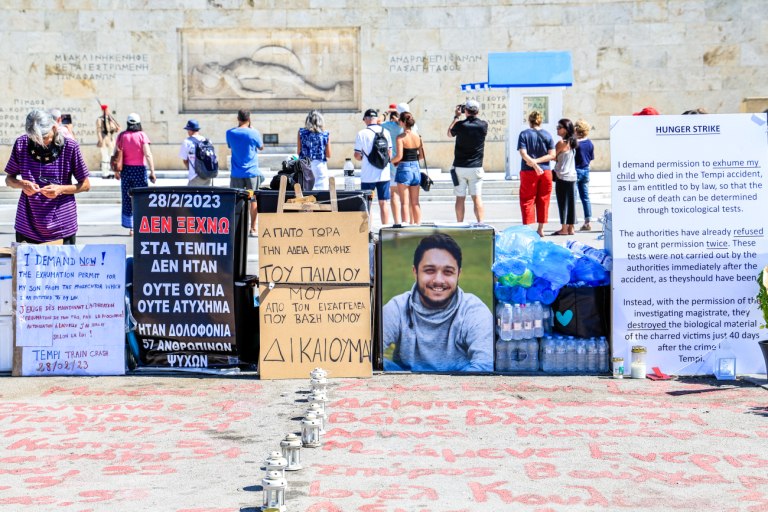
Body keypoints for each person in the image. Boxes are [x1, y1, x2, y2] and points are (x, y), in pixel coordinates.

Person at [382, 233, 494, 372]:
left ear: (458, 274)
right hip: (405, 386)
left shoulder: (474, 311)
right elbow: (366, 353)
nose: (438, 280)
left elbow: (486, 363)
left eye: (448, 272)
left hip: (460, 388)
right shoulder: (398, 308)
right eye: (430, 270)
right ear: (415, 272)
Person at [3, 109, 90, 244]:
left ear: (54, 128)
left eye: (44, 138)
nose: (40, 143)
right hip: (27, 225)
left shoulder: (70, 147)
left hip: (62, 226)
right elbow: (9, 179)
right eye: (34, 139)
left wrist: (60, 189)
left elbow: (85, 185)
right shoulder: (21, 144)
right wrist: (22, 184)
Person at [115, 113, 156, 235]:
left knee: (128, 198)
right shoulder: (142, 135)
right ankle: (142, 224)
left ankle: (131, 227)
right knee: (142, 197)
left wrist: (116, 171)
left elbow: (116, 153)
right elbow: (148, 154)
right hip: (139, 170)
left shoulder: (122, 136)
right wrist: (152, 171)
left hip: (126, 171)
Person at [447, 99, 487, 223]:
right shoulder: (483, 125)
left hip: (460, 166)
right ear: (478, 111)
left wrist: (456, 117)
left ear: (465, 110)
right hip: (476, 167)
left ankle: (460, 224)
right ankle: (480, 224)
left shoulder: (460, 125)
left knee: (460, 198)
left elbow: (449, 133)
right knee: (477, 198)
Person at [517, 111, 556, 237]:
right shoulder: (548, 135)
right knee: (544, 199)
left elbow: (523, 153)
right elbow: (552, 155)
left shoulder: (524, 134)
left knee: (527, 199)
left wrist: (534, 163)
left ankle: (527, 228)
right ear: (540, 121)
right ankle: (541, 228)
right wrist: (538, 163)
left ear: (530, 121)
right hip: (546, 171)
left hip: (528, 171)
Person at [226, 109, 264, 237]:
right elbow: (261, 147)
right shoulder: (253, 133)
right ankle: (253, 228)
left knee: (236, 199)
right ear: (249, 119)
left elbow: (231, 146)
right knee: (253, 199)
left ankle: (236, 228)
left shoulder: (230, 133)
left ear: (238, 118)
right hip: (252, 173)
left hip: (236, 172)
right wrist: (252, 129)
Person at [354, 108, 392, 225]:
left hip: (368, 176)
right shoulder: (386, 132)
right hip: (383, 174)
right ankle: (385, 229)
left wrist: (364, 157)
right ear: (375, 119)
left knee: (368, 204)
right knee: (383, 203)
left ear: (366, 119)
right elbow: (389, 153)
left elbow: (357, 155)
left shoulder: (361, 134)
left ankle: (368, 233)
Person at [391, 112, 423, 225]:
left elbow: (399, 156)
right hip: (416, 168)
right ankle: (417, 225)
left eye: (400, 120)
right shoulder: (418, 137)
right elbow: (422, 156)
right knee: (415, 202)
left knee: (404, 202)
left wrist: (390, 161)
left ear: (403, 122)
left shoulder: (400, 137)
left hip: (404, 168)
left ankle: (405, 225)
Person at [551, 118, 578, 236]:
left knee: (562, 203)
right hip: (572, 176)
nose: (557, 129)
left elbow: (552, 156)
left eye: (559, 127)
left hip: (562, 176)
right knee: (571, 203)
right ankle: (571, 227)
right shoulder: (573, 142)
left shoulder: (561, 143)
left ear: (566, 129)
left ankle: (564, 228)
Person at [297, 110, 331, 190]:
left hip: (305, 165)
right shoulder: (325, 134)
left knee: (306, 192)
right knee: (322, 193)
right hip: (320, 165)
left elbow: (299, 151)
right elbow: (328, 154)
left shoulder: (301, 132)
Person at [380, 109, 403, 224]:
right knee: (409, 198)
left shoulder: (390, 126)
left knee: (394, 194)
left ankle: (397, 222)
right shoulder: (412, 126)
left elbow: (377, 122)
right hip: (408, 165)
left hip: (394, 164)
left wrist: (386, 113)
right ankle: (409, 222)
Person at [574, 119, 595, 231]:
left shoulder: (575, 144)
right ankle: (587, 221)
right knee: (585, 197)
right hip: (586, 170)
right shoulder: (590, 143)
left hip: (575, 170)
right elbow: (591, 158)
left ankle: (571, 222)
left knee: (573, 197)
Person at [179, 119, 212, 186]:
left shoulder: (187, 142)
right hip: (208, 175)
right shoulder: (207, 141)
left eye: (188, 130)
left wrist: (191, 169)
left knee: (192, 195)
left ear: (190, 130)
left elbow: (185, 160)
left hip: (195, 176)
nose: (187, 132)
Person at [96, 104, 120, 178]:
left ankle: (110, 171)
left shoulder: (110, 119)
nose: (107, 111)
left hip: (111, 140)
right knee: (105, 157)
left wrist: (115, 127)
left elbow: (116, 128)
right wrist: (100, 140)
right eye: (106, 110)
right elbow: (99, 130)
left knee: (111, 157)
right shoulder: (100, 119)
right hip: (104, 140)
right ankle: (105, 173)